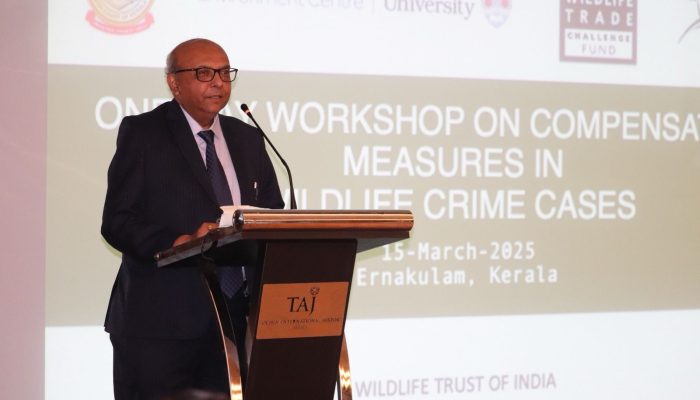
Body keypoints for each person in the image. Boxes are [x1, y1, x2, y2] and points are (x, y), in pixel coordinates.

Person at [101, 38, 284, 399]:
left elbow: (271, 214)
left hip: (236, 321)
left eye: (224, 72)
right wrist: (178, 242)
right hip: (160, 324)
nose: (218, 82)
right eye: (204, 73)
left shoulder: (248, 138)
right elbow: (118, 221)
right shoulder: (144, 133)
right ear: (174, 82)